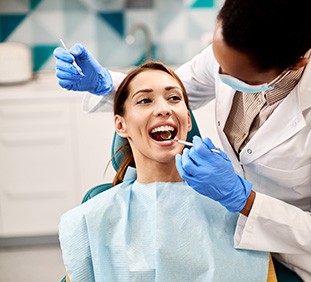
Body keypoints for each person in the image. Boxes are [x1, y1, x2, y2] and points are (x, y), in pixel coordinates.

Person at [53, 0, 311, 281]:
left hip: (304, 261)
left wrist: (244, 200)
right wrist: (105, 84)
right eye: (216, 58)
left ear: (294, 63)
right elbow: (167, 89)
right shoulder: (93, 218)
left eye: (233, 73)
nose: (217, 72)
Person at [58, 61, 275, 282]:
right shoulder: (89, 221)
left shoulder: (237, 214)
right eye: (144, 100)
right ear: (120, 125)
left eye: (174, 98)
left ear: (188, 121)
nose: (164, 109)